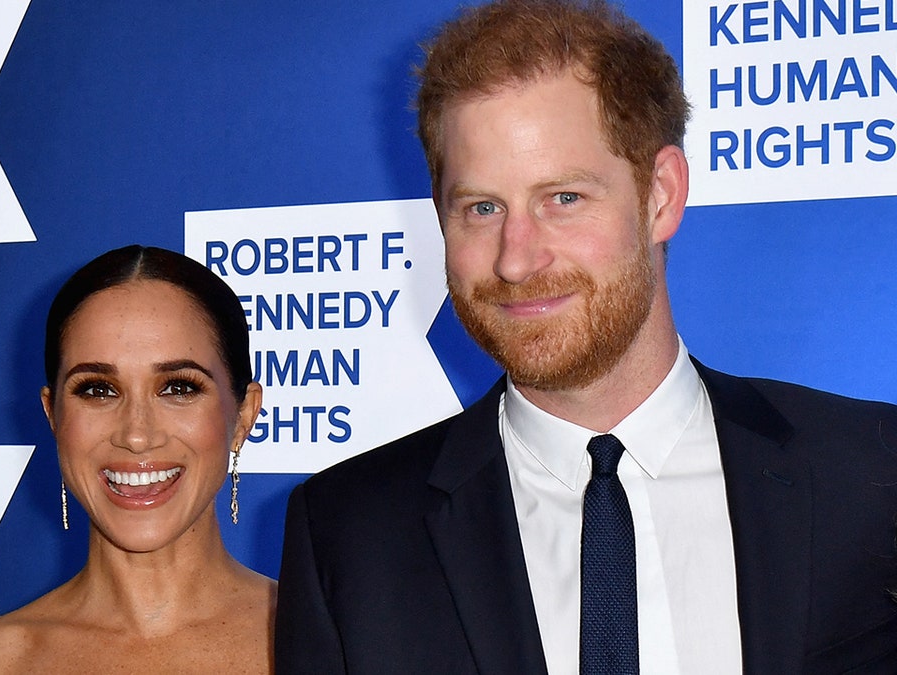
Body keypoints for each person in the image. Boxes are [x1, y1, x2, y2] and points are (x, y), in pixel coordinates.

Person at [274, 1, 897, 673]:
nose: (516, 258)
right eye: (482, 208)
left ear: (660, 196)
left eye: (563, 199)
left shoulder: (871, 476)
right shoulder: (349, 535)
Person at [0, 245, 274, 673]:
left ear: (243, 415)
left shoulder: (335, 644)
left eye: (178, 388)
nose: (137, 435)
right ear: (53, 416)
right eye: (98, 390)